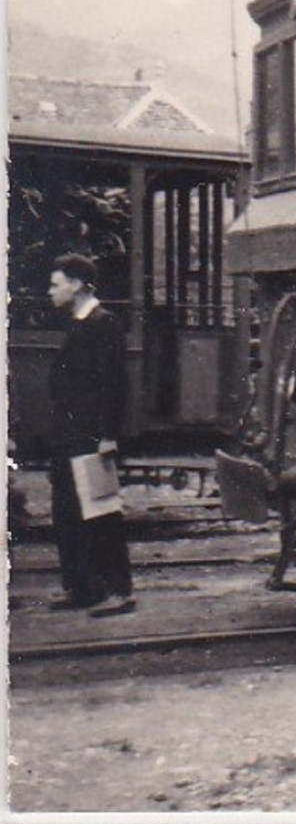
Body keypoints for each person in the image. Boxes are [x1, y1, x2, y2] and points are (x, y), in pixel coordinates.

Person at [45, 253, 135, 616]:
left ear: (77, 284)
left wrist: (108, 435)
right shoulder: (80, 323)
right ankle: (83, 587)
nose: (50, 291)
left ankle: (119, 590)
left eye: (55, 284)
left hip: (91, 436)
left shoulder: (103, 323)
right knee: (67, 511)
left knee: (101, 511)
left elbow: (114, 385)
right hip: (69, 435)